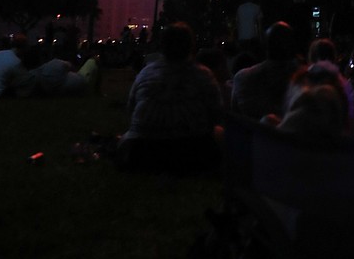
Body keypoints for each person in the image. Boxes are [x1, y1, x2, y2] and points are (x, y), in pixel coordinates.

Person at [117, 23, 223, 173]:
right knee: (221, 133)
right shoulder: (204, 75)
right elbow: (216, 115)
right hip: (193, 152)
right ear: (191, 46)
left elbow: (131, 109)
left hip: (139, 152)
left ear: (162, 46)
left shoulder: (145, 73)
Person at [230, 21, 300, 120]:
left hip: (252, 133)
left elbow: (235, 119)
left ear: (264, 45)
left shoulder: (242, 77)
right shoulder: (303, 79)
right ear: (293, 46)